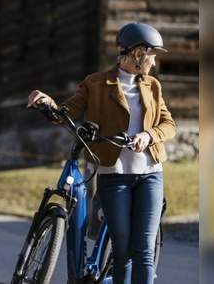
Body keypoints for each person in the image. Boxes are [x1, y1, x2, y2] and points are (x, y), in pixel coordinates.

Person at [27, 22, 176, 284]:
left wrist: (148, 135)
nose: (154, 63)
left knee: (143, 251)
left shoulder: (153, 86)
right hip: (114, 175)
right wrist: (47, 103)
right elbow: (66, 111)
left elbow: (168, 125)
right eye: (152, 55)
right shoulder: (95, 84)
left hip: (150, 174)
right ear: (137, 54)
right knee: (122, 251)